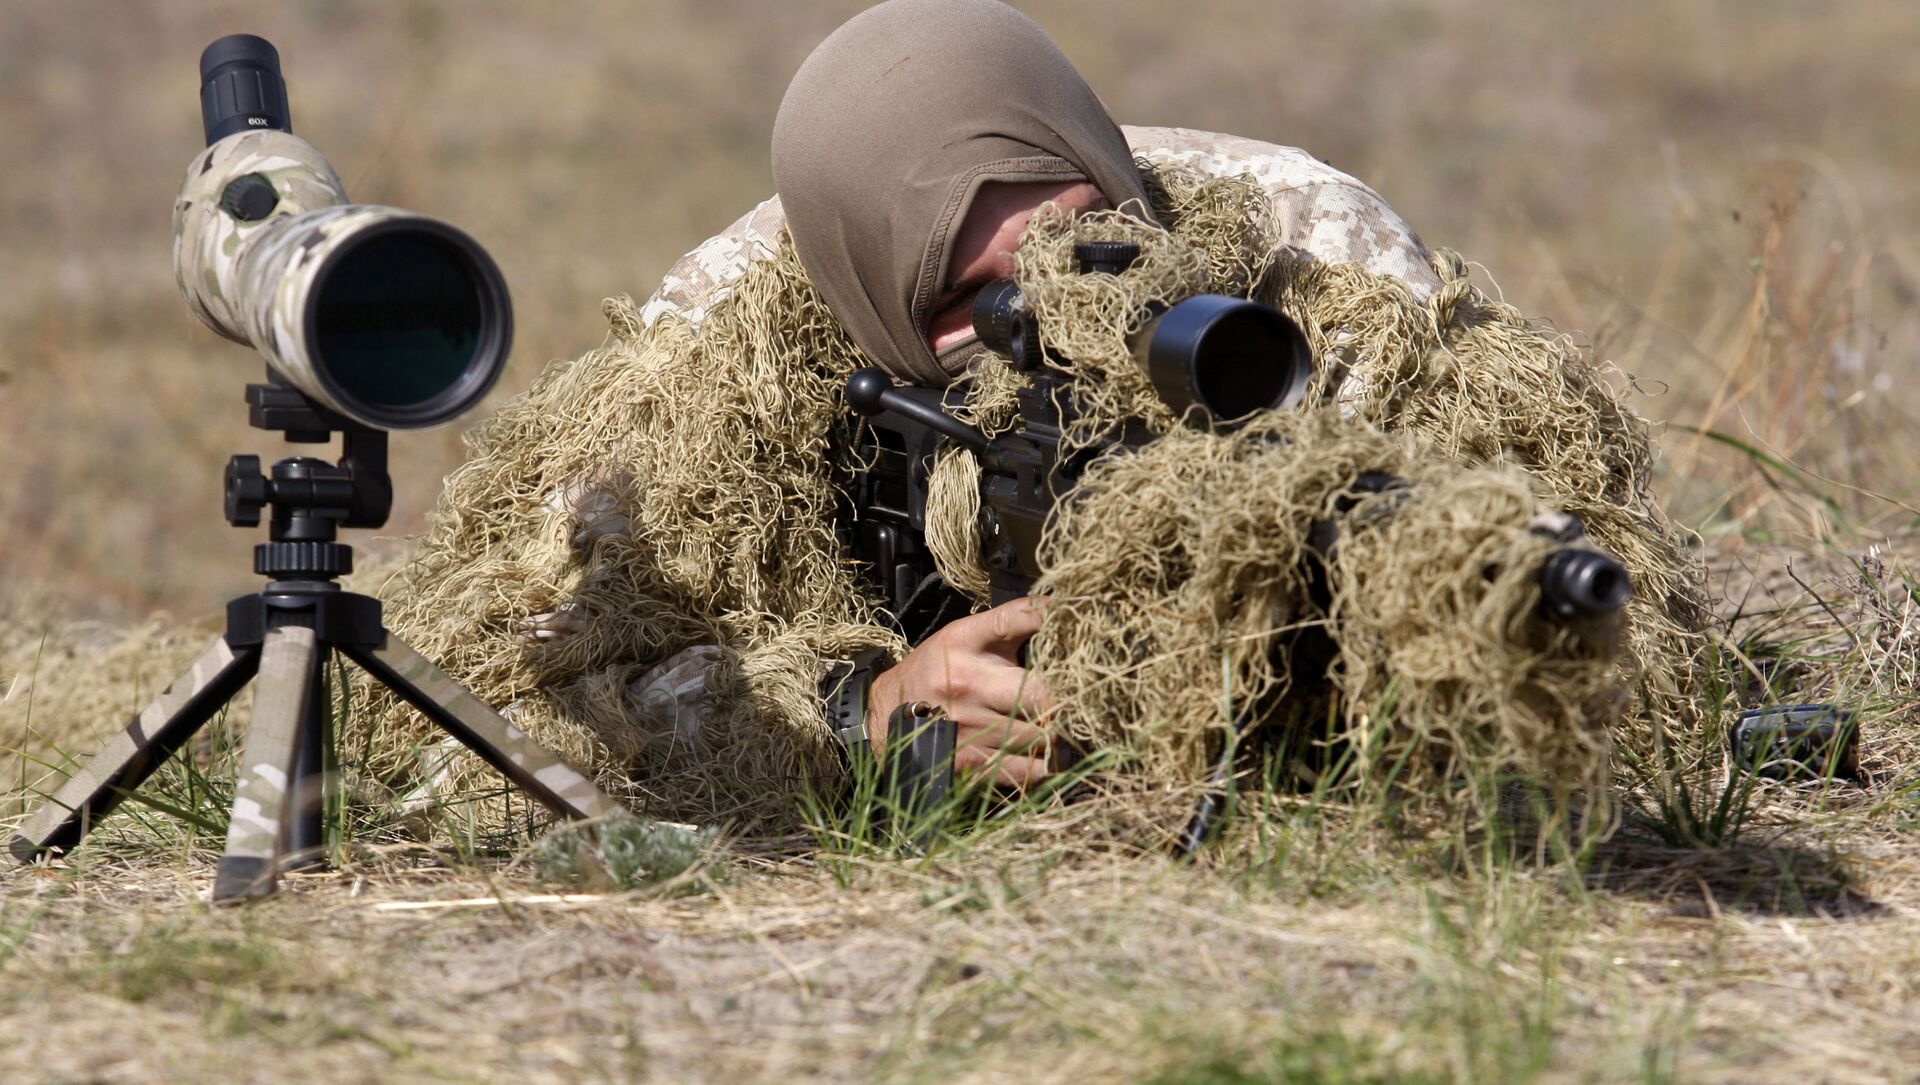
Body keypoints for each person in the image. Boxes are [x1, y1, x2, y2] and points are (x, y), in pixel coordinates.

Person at [637, 0, 1444, 787]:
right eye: (974, 303)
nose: (1059, 315)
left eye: (1087, 240)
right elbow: (571, 671)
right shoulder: (728, 336)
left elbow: (1471, 552)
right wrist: (869, 714)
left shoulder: (1310, 247)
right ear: (870, 315)